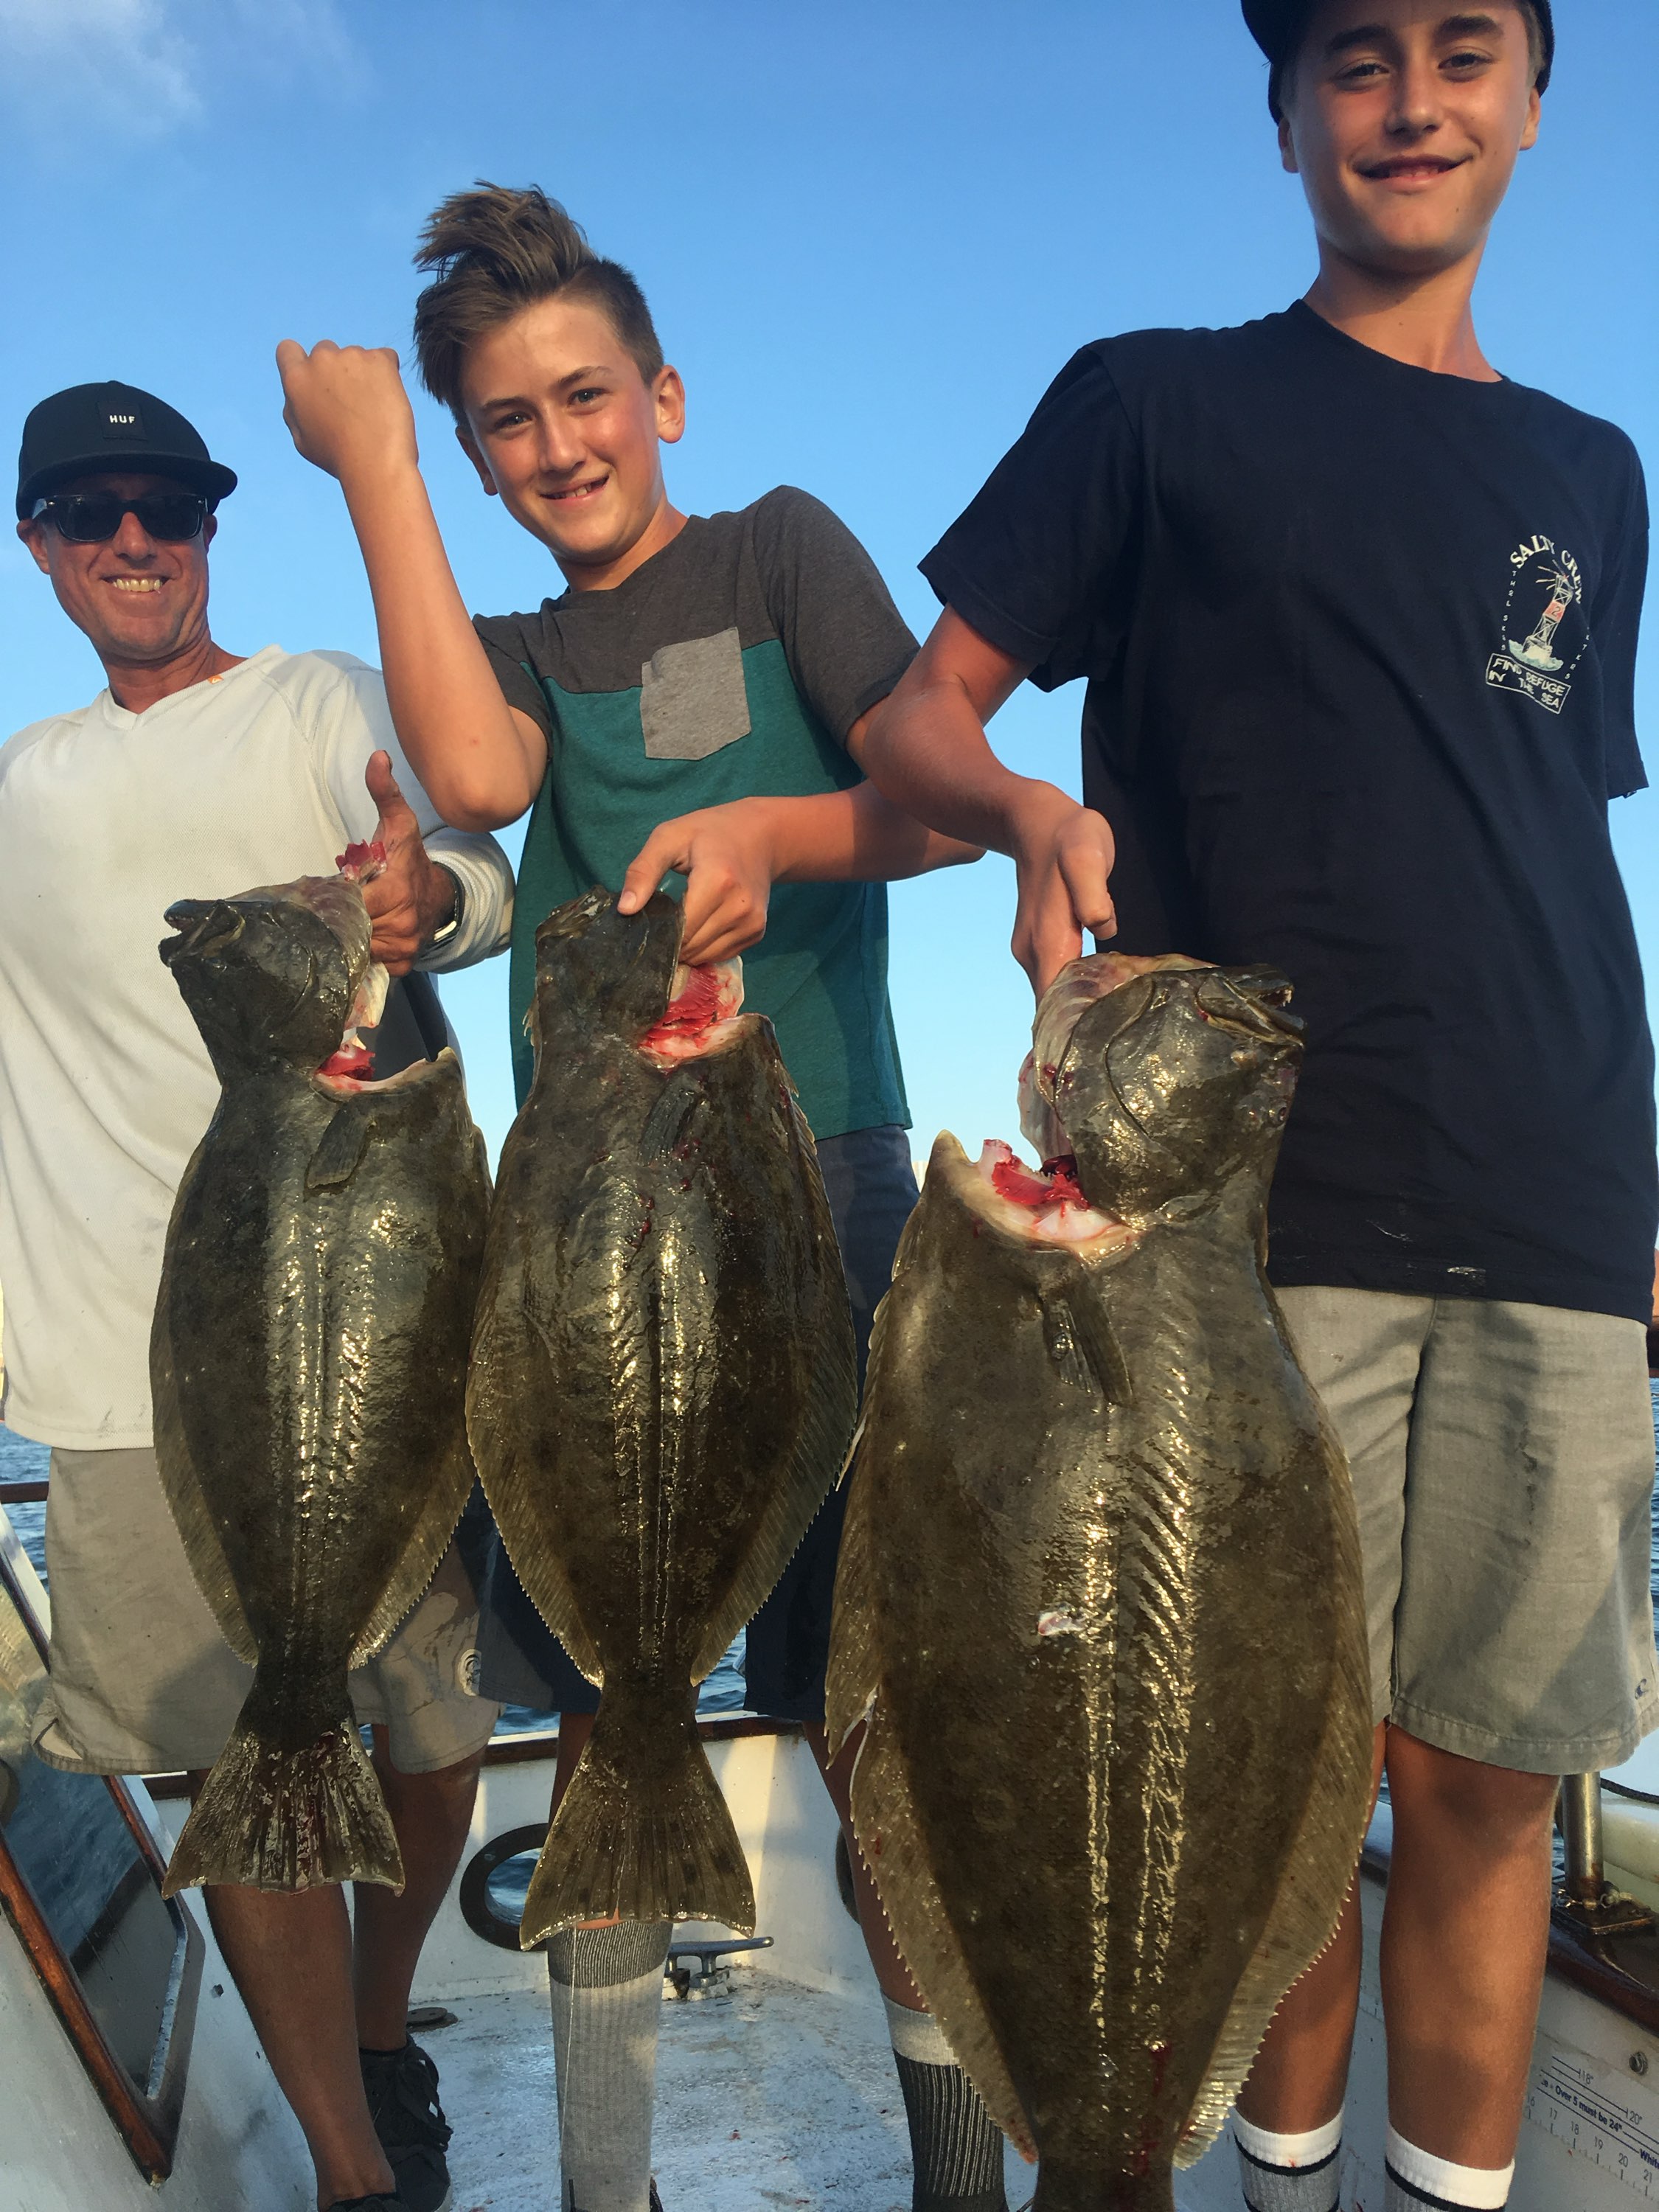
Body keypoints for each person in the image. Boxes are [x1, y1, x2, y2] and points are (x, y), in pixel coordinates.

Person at [860, 5, 1655, 2211]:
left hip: (1562, 1194)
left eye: (1465, 49)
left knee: (1491, 1792)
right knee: (1274, 1793)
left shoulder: (1595, 472)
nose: (1411, 99)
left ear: (1531, 100)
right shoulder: (1153, 401)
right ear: (1287, 115)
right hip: (1242, 1212)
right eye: (1356, 57)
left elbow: (1550, 841)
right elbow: (919, 721)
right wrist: (1027, 814)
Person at [274, 186, 998, 2212]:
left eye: (586, 396)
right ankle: (611, 2184)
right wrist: (379, 464)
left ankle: (957, 2173)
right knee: (609, 1712)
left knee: (868, 1723)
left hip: (823, 1190)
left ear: (663, 395)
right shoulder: (509, 651)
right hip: (585, 1230)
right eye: (505, 422)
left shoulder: (779, 551)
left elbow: (933, 807)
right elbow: (480, 788)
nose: (559, 443)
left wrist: (774, 830)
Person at [0, 379, 518, 2212]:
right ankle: (353, 2169)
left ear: (213, 528)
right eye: (91, 512)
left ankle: (383, 2022)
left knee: (440, 1744)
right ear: (41, 548)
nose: (135, 539)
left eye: (170, 506)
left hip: (385, 1325)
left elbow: (477, 874)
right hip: (116, 1369)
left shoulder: (322, 701)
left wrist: (423, 907)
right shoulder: (20, 790)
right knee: (248, 1778)